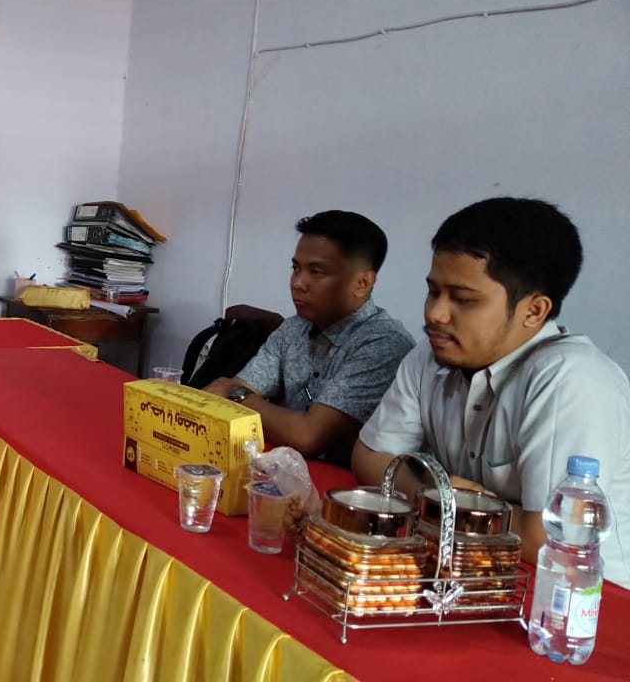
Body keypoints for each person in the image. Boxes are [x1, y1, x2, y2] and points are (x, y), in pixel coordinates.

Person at [351, 198, 630, 585]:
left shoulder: (571, 379)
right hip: (476, 573)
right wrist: (433, 495)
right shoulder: (431, 356)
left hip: (578, 598)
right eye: (433, 292)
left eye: (463, 299)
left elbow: (547, 537)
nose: (435, 313)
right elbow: (368, 456)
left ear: (534, 311)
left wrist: (451, 506)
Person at [206, 210, 414, 466]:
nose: (298, 283)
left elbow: (308, 436)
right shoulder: (294, 328)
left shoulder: (383, 343)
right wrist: (237, 394)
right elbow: (222, 398)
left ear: (362, 283)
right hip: (287, 472)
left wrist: (238, 395)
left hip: (349, 485)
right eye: (296, 268)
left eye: (316, 272)